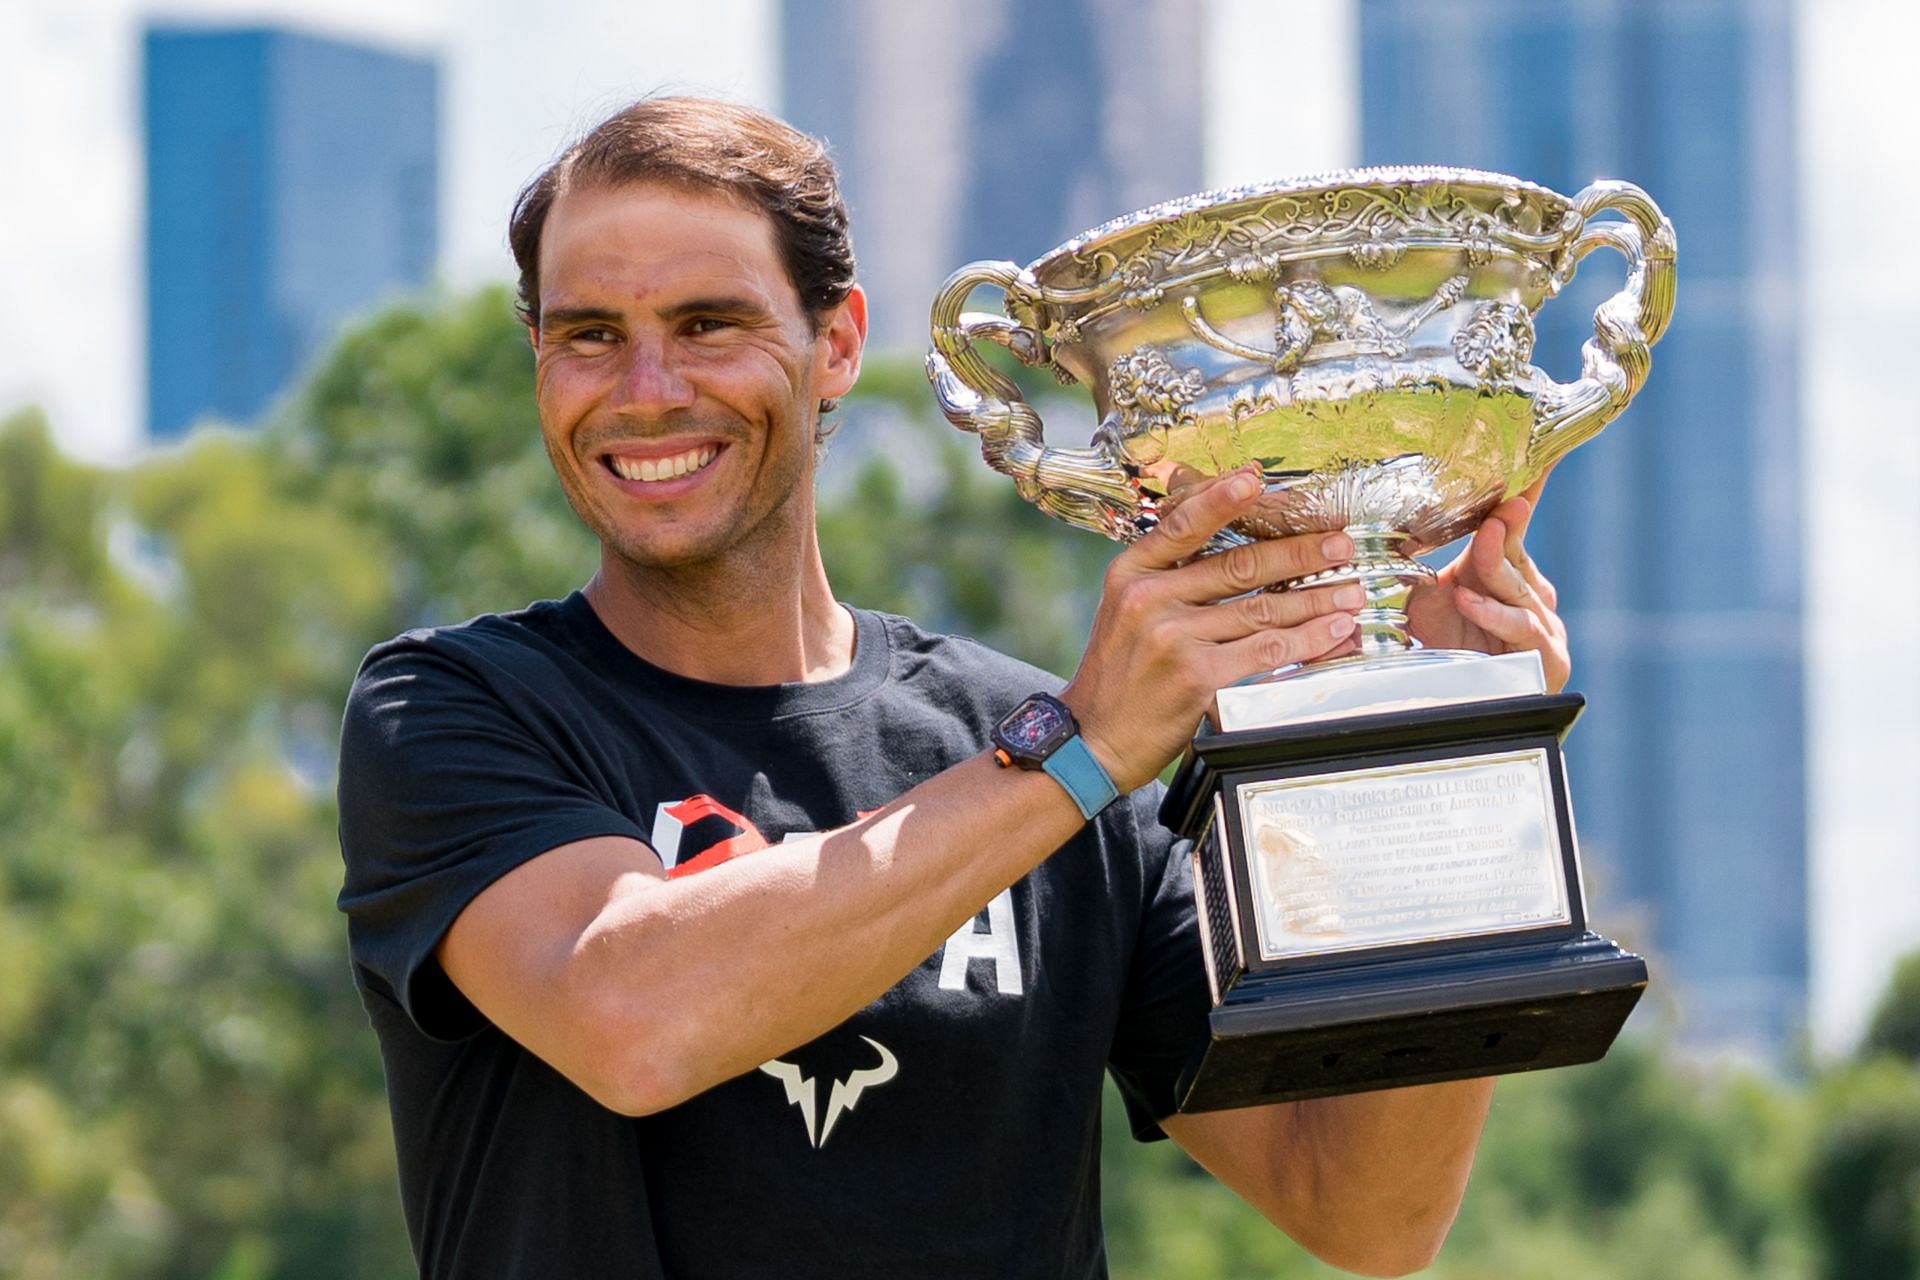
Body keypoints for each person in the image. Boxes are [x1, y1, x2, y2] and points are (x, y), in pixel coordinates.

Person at [337, 97, 1572, 1280]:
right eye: (588, 333)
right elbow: (630, 1017)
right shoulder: (453, 711)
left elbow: (1367, 1210)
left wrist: (1437, 747)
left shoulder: (1039, 756)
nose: (647, 387)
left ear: (836, 343)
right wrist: (1075, 753)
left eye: (709, 323)